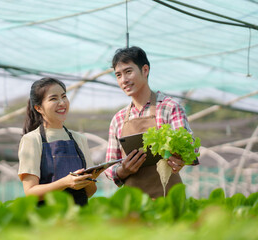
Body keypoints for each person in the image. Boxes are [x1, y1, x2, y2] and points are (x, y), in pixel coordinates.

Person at [104, 46, 199, 198]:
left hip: (168, 199)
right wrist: (123, 170)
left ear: (145, 70)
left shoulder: (169, 108)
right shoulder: (118, 119)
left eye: (128, 72)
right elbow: (110, 166)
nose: (124, 80)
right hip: (133, 204)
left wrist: (180, 158)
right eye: (118, 75)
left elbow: (191, 149)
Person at [18, 77, 99, 206]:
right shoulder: (32, 140)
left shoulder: (79, 139)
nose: (62, 103)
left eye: (64, 96)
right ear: (38, 108)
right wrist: (65, 183)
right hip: (48, 219)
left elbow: (90, 191)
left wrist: (88, 180)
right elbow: (30, 193)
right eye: (53, 98)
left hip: (80, 218)